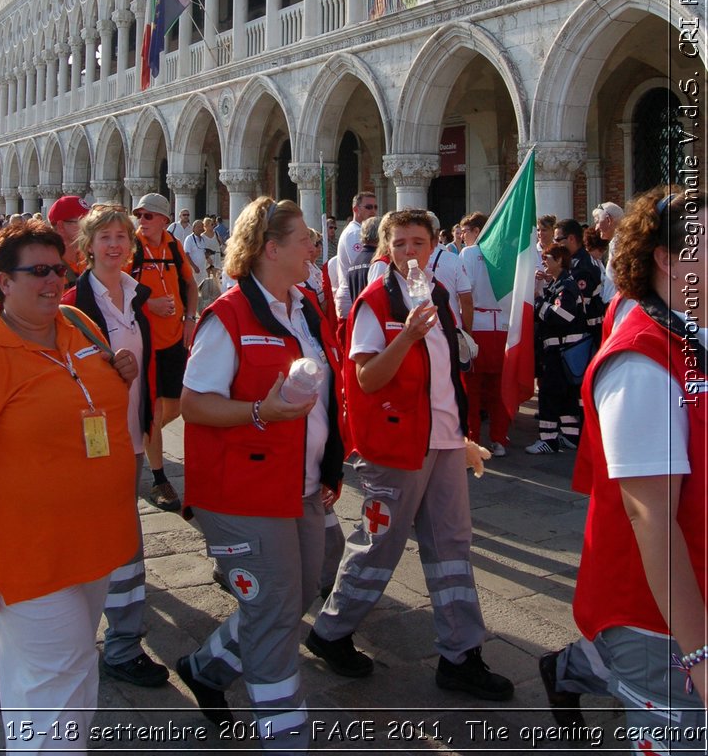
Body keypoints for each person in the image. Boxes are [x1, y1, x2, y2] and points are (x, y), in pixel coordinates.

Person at [0, 219, 139, 750]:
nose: (54, 280)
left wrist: (120, 370)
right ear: (2, 282)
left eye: (58, 268)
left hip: (95, 540)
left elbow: (94, 386)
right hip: (29, 555)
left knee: (75, 670)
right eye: (37, 271)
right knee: (53, 683)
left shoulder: (78, 323)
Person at [307, 209, 513, 702]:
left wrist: (460, 438)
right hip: (396, 447)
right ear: (386, 250)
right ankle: (331, 631)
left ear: (435, 246)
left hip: (440, 443)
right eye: (398, 244)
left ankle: (462, 654)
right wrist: (406, 337)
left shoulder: (439, 297)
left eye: (418, 242)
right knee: (379, 545)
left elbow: (444, 382)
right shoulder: (374, 302)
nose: (409, 253)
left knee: (452, 546)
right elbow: (366, 379)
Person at [540, 188, 707, 751]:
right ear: (668, 259)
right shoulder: (643, 360)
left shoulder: (691, 341)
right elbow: (651, 519)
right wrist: (700, 655)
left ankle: (572, 671)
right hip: (657, 619)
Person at [178, 198, 345, 749]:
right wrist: (259, 413)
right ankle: (284, 735)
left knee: (295, 594)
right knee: (276, 606)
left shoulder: (306, 307)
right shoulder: (227, 317)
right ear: (271, 249)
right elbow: (195, 404)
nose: (314, 249)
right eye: (305, 240)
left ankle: (207, 668)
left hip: (298, 484)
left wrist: (331, 458)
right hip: (243, 490)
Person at [61, 203, 167, 689]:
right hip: (90, 446)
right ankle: (120, 645)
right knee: (119, 541)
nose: (115, 245)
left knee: (121, 539)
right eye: (104, 237)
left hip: (127, 440)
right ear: (87, 247)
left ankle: (113, 639)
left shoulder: (134, 295)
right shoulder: (71, 305)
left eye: (122, 236)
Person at [131, 193, 197, 511]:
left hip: (173, 339)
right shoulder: (131, 248)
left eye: (147, 215)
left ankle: (143, 434)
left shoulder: (172, 245)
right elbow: (114, 289)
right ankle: (159, 478)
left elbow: (191, 284)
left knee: (177, 406)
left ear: (163, 220)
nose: (141, 221)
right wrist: (149, 304)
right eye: (139, 215)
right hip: (144, 342)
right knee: (155, 411)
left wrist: (190, 318)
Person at [526, 243, 588, 454]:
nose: (544, 262)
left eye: (548, 258)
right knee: (566, 395)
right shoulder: (559, 285)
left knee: (550, 394)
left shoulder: (565, 287)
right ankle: (570, 435)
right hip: (562, 352)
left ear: (559, 260)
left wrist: (538, 301)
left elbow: (563, 315)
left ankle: (549, 439)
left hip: (562, 351)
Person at [459, 212, 511, 456]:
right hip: (502, 326)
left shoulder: (469, 253)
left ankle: (473, 439)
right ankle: (499, 439)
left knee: (474, 388)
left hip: (477, 324)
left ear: (478, 231)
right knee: (498, 389)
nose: (462, 236)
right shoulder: (506, 253)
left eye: (466, 231)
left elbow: (465, 292)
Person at [334, 191, 379, 326]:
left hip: (356, 296)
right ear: (356, 209)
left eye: (375, 207)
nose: (373, 211)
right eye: (369, 207)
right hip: (352, 296)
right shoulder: (355, 233)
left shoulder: (358, 231)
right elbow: (363, 267)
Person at [48, 195, 90, 286]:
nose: (89, 227)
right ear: (61, 226)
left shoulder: (92, 259)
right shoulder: (46, 266)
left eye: (90, 221)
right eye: (82, 222)